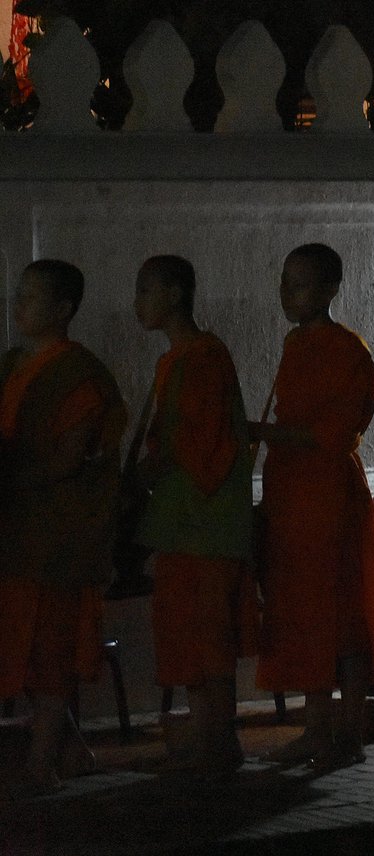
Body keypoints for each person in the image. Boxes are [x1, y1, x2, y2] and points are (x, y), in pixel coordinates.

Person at [251, 243, 374, 768]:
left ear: (331, 288)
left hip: (329, 495)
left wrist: (268, 432)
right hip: (291, 495)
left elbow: (337, 432)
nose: (288, 294)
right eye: (285, 282)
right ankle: (317, 726)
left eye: (301, 283)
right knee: (303, 612)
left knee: (342, 610)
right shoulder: (295, 344)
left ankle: (352, 728)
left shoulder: (347, 350)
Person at [0, 260, 127, 795]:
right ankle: (70, 751)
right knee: (20, 649)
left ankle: (41, 765)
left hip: (59, 537)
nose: (19, 306)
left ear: (63, 309)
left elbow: (70, 459)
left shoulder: (80, 375)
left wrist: (17, 477)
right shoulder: (11, 366)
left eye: (31, 298)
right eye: (18, 295)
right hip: (16, 533)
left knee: (50, 651)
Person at [132, 255, 255, 781]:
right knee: (186, 631)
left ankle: (219, 742)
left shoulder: (202, 357)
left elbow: (197, 439)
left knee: (208, 634)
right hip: (185, 522)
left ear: (176, 295)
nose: (137, 303)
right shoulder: (178, 359)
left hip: (204, 522)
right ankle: (209, 739)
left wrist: (144, 474)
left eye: (146, 291)